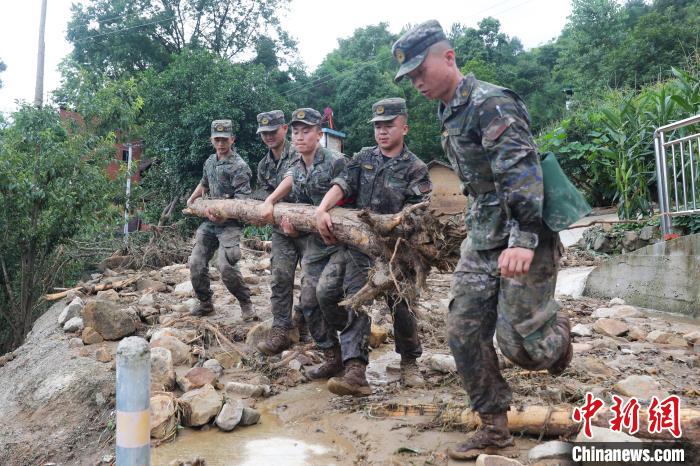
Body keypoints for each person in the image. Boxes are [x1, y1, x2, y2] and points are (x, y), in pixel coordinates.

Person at [392, 21, 573, 460]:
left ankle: (561, 337)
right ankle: (494, 426)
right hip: (483, 231)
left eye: (422, 71)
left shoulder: (491, 103)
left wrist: (524, 239)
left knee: (522, 348)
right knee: (463, 329)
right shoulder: (447, 109)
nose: (417, 82)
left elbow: (522, 174)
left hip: (521, 229)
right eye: (410, 77)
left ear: (449, 57)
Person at [315, 98, 432, 394]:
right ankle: (355, 369)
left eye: (388, 125)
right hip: (359, 246)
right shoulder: (364, 156)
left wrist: (391, 228)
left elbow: (417, 214)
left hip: (398, 251)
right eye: (378, 126)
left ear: (404, 127)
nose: (382, 131)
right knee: (345, 296)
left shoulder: (416, 168)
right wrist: (322, 210)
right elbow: (343, 183)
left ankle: (409, 363)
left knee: (402, 306)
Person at [260, 108, 347, 380]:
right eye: (297, 131)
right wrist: (271, 201)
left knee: (329, 298)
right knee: (308, 299)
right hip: (312, 243)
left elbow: (343, 185)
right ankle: (332, 353)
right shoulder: (296, 165)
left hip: (339, 243)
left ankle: (356, 340)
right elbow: (288, 181)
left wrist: (322, 210)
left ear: (320, 134)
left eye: (305, 131)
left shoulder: (335, 160)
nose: (299, 136)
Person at [186, 120, 258, 321]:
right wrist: (192, 200)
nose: (220, 143)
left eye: (224, 139)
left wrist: (222, 212)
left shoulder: (240, 166)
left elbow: (243, 202)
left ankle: (246, 304)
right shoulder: (209, 161)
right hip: (209, 222)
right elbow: (204, 184)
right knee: (196, 262)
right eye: (217, 139)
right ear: (212, 140)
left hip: (230, 224)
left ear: (232, 139)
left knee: (226, 267)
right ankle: (206, 303)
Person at [253, 110, 310, 355]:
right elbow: (262, 200)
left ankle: (304, 319)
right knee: (280, 277)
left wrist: (270, 201)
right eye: (264, 133)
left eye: (273, 131)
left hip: (309, 230)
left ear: (284, 129)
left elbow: (292, 180)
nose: (268, 136)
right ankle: (280, 329)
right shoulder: (263, 165)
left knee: (313, 283)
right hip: (281, 231)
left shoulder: (300, 151)